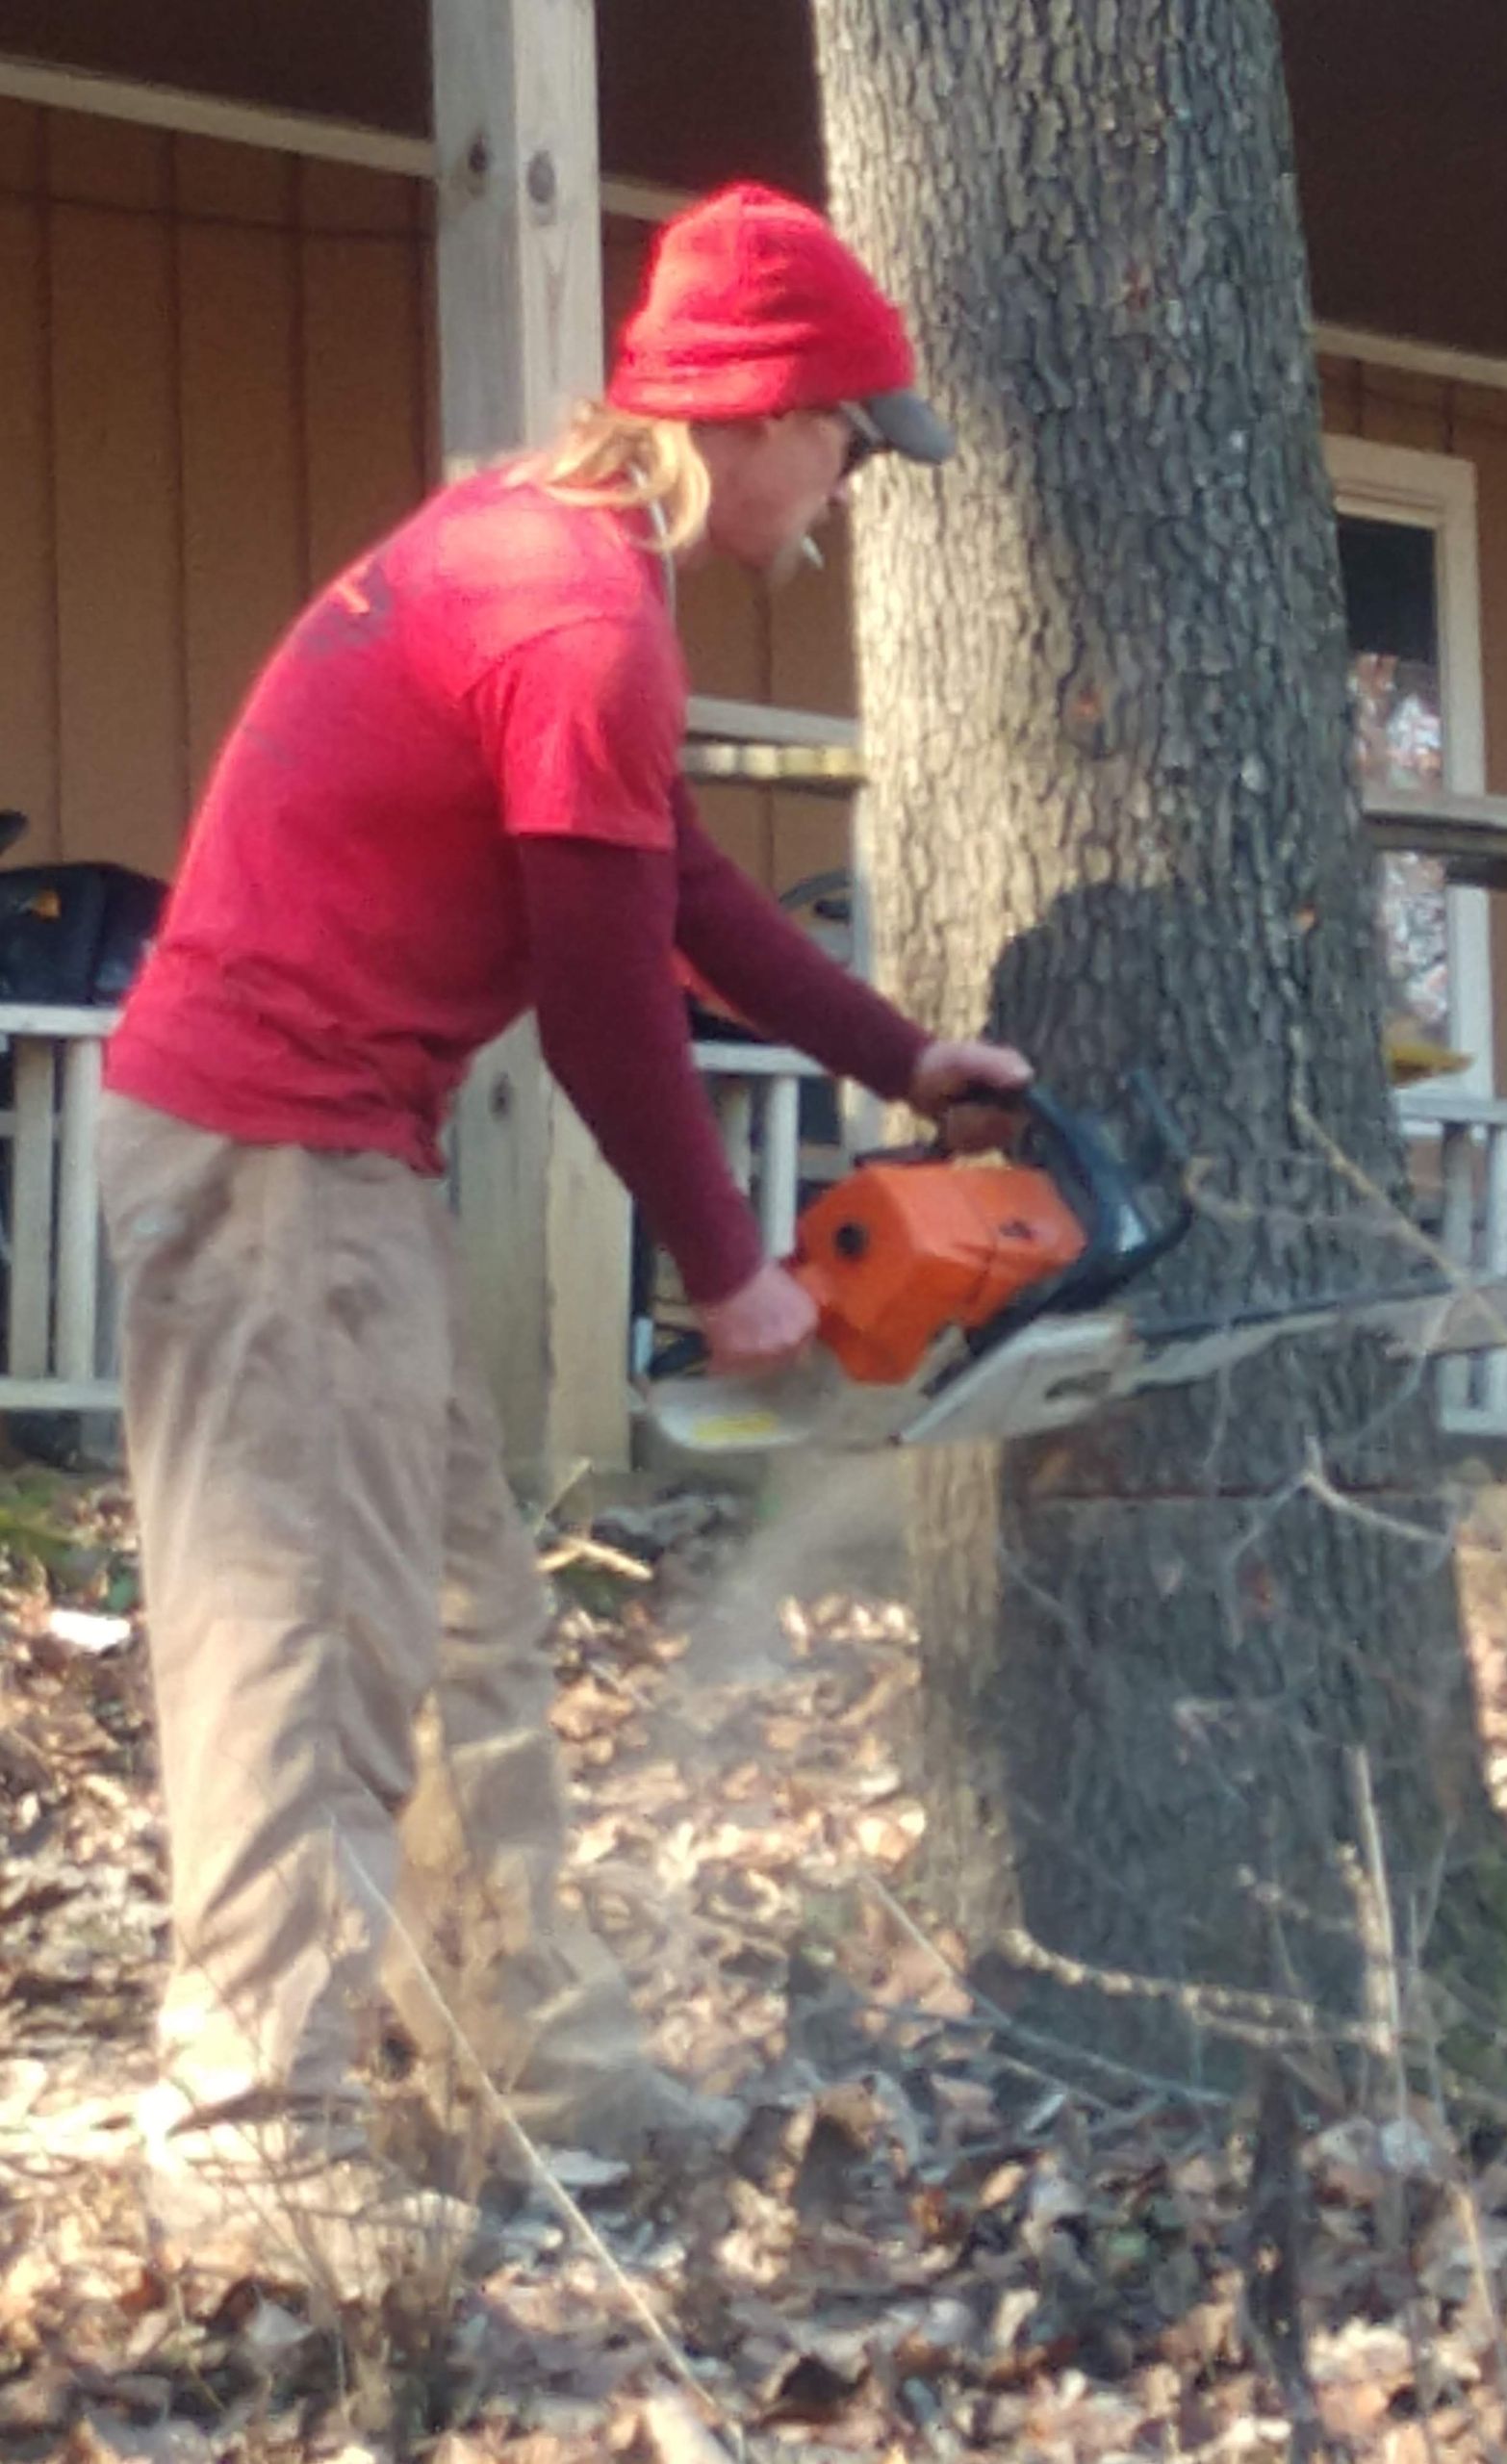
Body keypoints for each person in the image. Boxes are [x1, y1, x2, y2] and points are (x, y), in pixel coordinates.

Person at [97, 179, 1031, 2291]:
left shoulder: (558, 558)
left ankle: (523, 2046)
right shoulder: (578, 612)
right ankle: (248, 2123)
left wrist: (909, 1058)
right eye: (853, 441)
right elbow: (605, 1001)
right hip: (266, 1155)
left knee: (463, 1624)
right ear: (765, 407)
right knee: (309, 1638)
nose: (851, 488)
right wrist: (730, 1270)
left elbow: (675, 893)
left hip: (337, 1149)